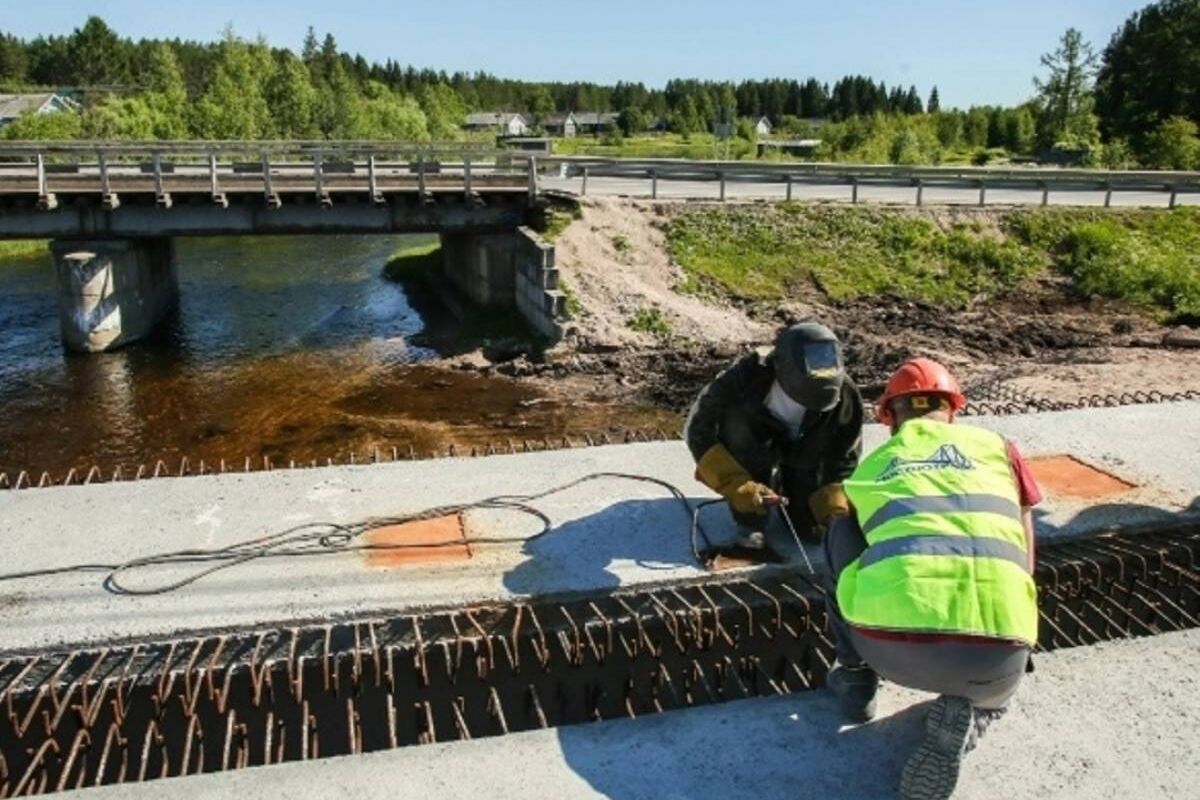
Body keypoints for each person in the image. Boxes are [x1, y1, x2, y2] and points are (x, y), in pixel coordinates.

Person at [821, 358, 1041, 800]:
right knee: (994, 689)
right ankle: (975, 716)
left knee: (840, 530)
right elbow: (1026, 549)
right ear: (954, 410)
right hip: (996, 651)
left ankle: (856, 677)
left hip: (887, 647)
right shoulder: (999, 447)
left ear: (888, 418)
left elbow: (860, 541)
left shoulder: (872, 465)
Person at [685, 322, 864, 557]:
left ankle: (790, 487)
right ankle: (750, 520)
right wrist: (734, 483)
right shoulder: (745, 377)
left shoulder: (844, 394)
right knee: (738, 428)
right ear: (783, 368)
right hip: (754, 440)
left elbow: (845, 454)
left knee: (811, 532)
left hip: (804, 446)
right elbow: (698, 430)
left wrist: (833, 501)